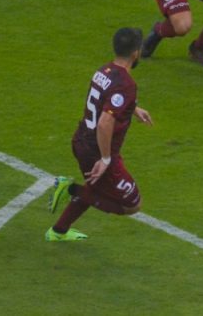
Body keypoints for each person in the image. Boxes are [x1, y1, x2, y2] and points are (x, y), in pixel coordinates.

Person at [46, 27, 152, 241]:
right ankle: (70, 189)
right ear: (135, 53)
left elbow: (107, 99)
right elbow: (105, 122)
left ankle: (58, 231)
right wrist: (105, 159)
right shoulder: (126, 84)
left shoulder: (104, 70)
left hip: (82, 140)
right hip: (97, 150)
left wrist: (133, 108)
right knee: (132, 205)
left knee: (95, 188)